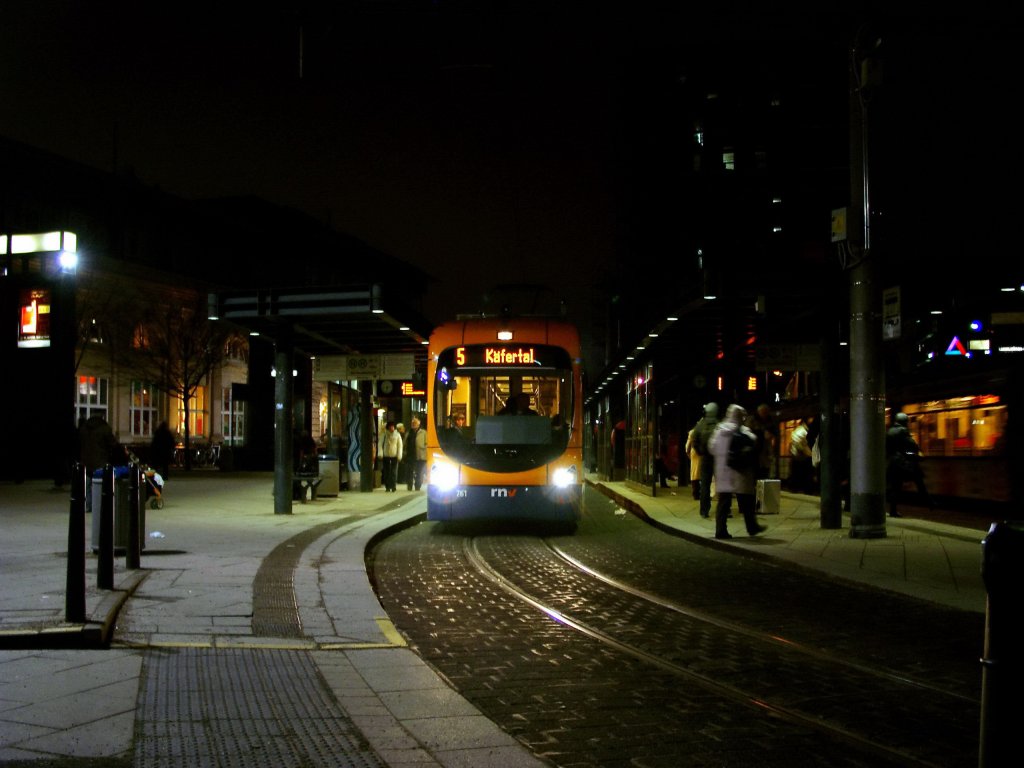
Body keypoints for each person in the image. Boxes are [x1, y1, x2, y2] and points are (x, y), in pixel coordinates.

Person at [708, 403, 767, 540]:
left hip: (724, 472)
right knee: (746, 501)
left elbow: (711, 448)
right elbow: (754, 442)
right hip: (741, 471)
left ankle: (720, 530)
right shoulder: (743, 431)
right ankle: (752, 527)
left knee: (724, 502)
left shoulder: (720, 430)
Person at [886, 411, 931, 516]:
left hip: (892, 461)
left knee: (895, 487)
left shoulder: (890, 431)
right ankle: (929, 501)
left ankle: (893, 510)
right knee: (918, 478)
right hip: (902, 462)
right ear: (904, 422)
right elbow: (911, 444)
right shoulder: (902, 430)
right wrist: (917, 452)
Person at [78, 413, 123, 512]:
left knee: (87, 485)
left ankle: (88, 505)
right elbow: (112, 443)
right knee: (100, 484)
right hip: (100, 460)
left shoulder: (84, 428)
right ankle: (99, 505)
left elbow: (79, 443)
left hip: (85, 460)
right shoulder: (104, 428)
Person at [692, 403, 719, 518]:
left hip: (705, 457)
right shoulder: (719, 425)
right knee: (721, 484)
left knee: (705, 485)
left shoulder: (700, 425)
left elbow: (694, 442)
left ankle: (704, 510)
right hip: (718, 457)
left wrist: (700, 452)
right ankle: (724, 510)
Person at [746, 403, 778, 481]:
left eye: (766, 413)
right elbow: (748, 433)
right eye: (763, 412)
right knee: (755, 473)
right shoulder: (752, 420)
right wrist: (761, 434)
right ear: (759, 411)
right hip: (755, 451)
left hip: (765, 452)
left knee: (764, 473)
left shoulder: (770, 420)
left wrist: (771, 434)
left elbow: (775, 432)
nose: (764, 415)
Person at [788, 415, 815, 493]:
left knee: (799, 475)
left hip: (799, 457)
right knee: (802, 474)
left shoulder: (800, 430)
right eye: (810, 420)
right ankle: (804, 489)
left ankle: (797, 489)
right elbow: (800, 445)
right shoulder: (801, 430)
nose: (811, 422)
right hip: (799, 457)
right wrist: (810, 454)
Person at [377, 421, 403, 492]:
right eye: (390, 427)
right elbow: (380, 445)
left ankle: (393, 486)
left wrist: (399, 455)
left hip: (394, 455)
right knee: (387, 472)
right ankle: (387, 486)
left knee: (394, 472)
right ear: (387, 428)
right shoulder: (384, 435)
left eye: (392, 426)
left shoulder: (397, 435)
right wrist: (380, 453)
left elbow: (400, 446)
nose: (391, 428)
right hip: (386, 455)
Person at [404, 416, 427, 491]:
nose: (413, 424)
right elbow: (405, 443)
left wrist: (424, 450)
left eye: (415, 423)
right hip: (410, 455)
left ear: (418, 424)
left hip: (420, 455)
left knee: (419, 472)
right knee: (409, 471)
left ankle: (417, 486)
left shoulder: (423, 432)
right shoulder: (408, 432)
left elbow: (427, 443)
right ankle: (409, 486)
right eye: (412, 423)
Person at [684, 426, 701, 500]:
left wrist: (688, 454)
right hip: (704, 453)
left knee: (694, 473)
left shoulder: (692, 432)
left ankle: (695, 493)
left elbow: (687, 446)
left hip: (694, 453)